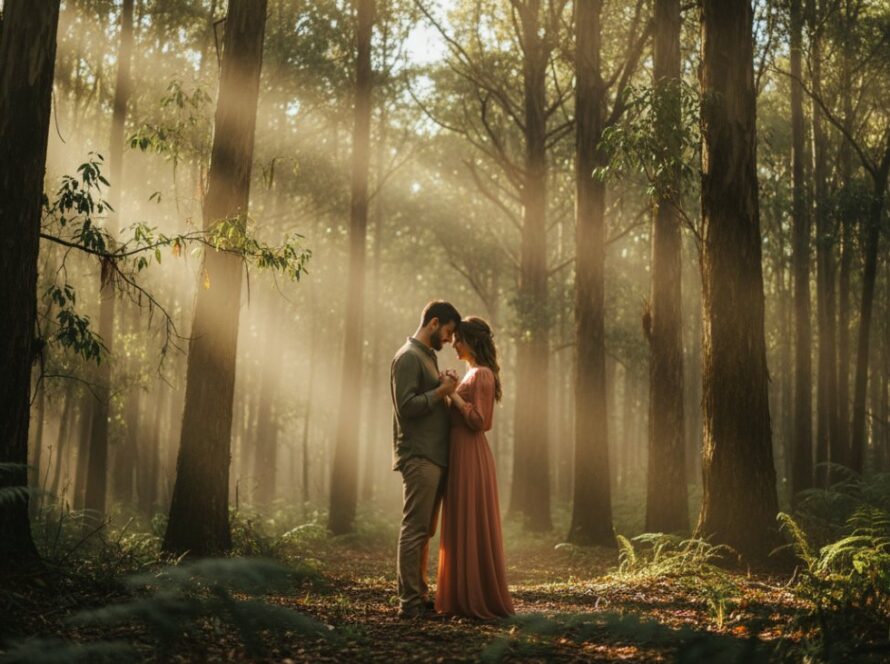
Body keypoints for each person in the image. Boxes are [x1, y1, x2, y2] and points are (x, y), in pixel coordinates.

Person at [435, 316, 514, 619]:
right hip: (461, 451)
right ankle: (460, 595)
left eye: (458, 339)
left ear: (471, 341)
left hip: (470, 452)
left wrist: (451, 393)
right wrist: (451, 387)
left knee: (469, 519)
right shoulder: (473, 373)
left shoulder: (481, 374)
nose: (453, 343)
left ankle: (473, 597)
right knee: (461, 519)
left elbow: (481, 421)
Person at [390, 300, 462, 619]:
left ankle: (418, 594)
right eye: (448, 331)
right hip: (419, 455)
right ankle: (409, 603)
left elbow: (431, 397)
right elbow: (406, 406)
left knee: (425, 532)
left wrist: (444, 384)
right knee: (415, 529)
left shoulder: (427, 357)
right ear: (434, 323)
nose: (449, 339)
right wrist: (442, 392)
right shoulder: (408, 356)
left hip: (434, 455)